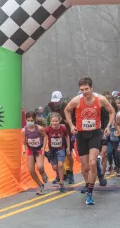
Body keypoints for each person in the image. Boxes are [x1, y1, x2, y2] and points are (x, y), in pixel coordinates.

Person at [65, 77, 115, 205]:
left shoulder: (101, 99)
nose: (84, 92)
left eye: (86, 89)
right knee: (85, 168)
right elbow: (67, 110)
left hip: (95, 134)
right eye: (82, 89)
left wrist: (108, 126)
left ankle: (90, 193)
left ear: (91, 88)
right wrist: (71, 125)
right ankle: (88, 183)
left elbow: (111, 111)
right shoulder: (77, 100)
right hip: (81, 135)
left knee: (92, 163)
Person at [47, 91, 75, 184]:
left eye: (57, 101)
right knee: (55, 157)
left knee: (68, 153)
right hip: (54, 135)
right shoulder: (50, 106)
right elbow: (49, 118)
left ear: (61, 100)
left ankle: (70, 172)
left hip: (66, 132)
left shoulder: (67, 106)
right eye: (54, 101)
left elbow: (72, 118)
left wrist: (68, 122)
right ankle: (60, 175)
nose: (55, 103)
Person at [21, 111, 48, 195]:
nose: (30, 122)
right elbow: (24, 142)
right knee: (31, 170)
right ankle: (40, 185)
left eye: (31, 120)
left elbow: (45, 136)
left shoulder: (39, 128)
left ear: (34, 120)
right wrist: (24, 149)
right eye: (28, 120)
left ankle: (43, 173)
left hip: (39, 149)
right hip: (30, 150)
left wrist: (44, 147)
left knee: (40, 166)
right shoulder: (24, 130)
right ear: (26, 120)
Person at [45, 113, 70, 192]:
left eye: (56, 121)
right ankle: (59, 175)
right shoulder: (48, 129)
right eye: (53, 121)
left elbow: (67, 136)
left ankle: (61, 183)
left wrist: (68, 147)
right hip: (52, 150)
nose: (55, 123)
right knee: (54, 167)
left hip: (61, 149)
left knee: (60, 165)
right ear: (50, 121)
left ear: (59, 121)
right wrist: (43, 148)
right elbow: (44, 137)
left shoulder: (63, 128)